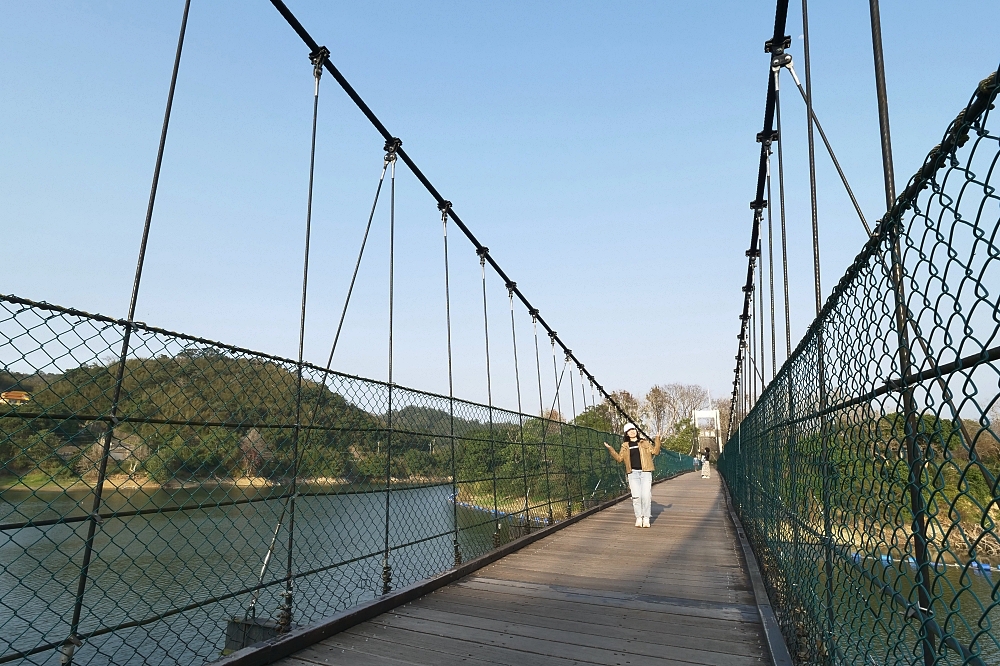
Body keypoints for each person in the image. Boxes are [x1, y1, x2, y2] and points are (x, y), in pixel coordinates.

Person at [603, 423, 661, 528]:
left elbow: (656, 452)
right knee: (636, 497)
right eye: (629, 430)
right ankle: (639, 517)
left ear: (636, 430)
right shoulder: (625, 446)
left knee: (646, 496)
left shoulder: (644, 442)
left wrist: (657, 439)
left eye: (633, 429)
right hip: (633, 473)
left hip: (646, 472)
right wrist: (611, 449)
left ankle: (646, 518)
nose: (632, 431)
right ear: (626, 433)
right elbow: (620, 459)